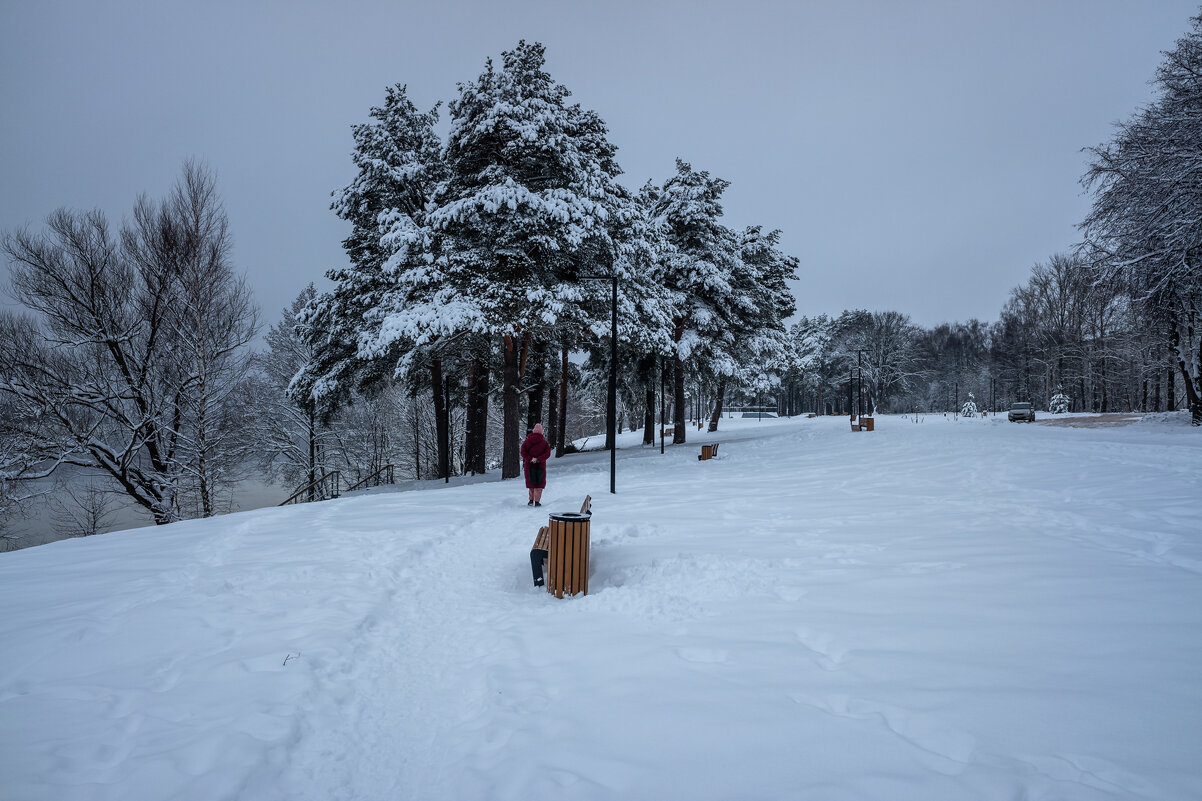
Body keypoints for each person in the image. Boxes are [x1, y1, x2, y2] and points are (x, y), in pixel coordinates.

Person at [520, 423, 551, 506]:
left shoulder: (527, 442)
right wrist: (538, 459)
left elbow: (523, 452)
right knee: (539, 483)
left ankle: (530, 500)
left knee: (531, 482)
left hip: (529, 465)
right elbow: (547, 453)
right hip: (540, 465)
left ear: (533, 431)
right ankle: (537, 501)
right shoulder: (544, 443)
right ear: (542, 432)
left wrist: (530, 458)